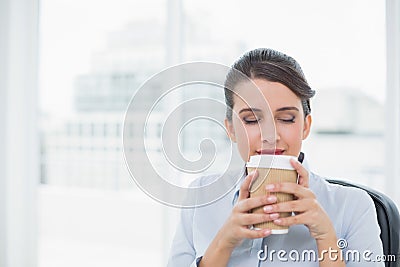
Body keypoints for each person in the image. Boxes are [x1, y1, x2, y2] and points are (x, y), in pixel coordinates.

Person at [167, 48, 384, 266]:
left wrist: (326, 238)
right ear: (231, 129)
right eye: (251, 120)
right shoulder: (201, 199)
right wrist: (224, 242)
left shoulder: (353, 207)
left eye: (287, 118)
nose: (270, 135)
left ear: (306, 126)